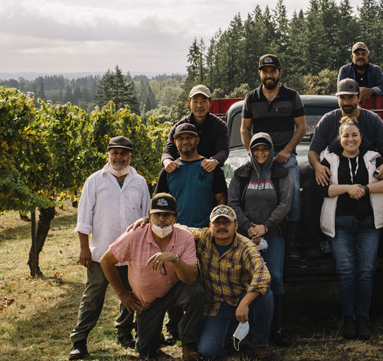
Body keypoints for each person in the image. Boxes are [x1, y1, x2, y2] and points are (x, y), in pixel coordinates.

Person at [69, 136, 151, 360]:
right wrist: (84, 248)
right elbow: (84, 218)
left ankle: (124, 333)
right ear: (108, 155)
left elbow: (146, 217)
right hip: (100, 253)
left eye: (123, 153)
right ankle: (79, 340)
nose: (119, 157)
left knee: (132, 294)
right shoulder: (95, 181)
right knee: (93, 297)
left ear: (130, 156)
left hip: (132, 252)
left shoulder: (140, 182)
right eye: (115, 153)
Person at [315, 116, 383, 340]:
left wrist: (365, 188)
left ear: (361, 137)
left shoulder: (373, 158)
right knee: (346, 272)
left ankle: (363, 319)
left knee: (366, 272)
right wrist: (347, 189)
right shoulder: (329, 159)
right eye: (346, 135)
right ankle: (348, 319)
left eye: (354, 135)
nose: (350, 139)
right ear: (339, 138)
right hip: (339, 223)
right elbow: (322, 190)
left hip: (369, 224)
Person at [101, 193, 205, 361]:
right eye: (157, 214)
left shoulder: (185, 236)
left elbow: (191, 278)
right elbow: (106, 261)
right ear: (149, 216)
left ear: (175, 217)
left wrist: (175, 258)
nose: (161, 219)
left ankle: (189, 344)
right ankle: (154, 335)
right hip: (147, 302)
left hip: (174, 293)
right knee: (147, 352)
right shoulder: (135, 235)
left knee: (196, 292)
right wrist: (123, 295)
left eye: (167, 215)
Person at [307, 78, 383, 260]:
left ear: (358, 98)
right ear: (337, 98)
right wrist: (317, 166)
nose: (347, 102)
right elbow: (313, 151)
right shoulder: (328, 120)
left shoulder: (373, 120)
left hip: (367, 170)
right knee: (310, 189)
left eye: (351, 97)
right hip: (337, 170)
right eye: (343, 98)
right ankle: (315, 242)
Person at [154, 122, 227, 344]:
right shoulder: (169, 170)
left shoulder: (209, 167)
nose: (185, 141)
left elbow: (221, 201)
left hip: (204, 236)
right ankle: (174, 327)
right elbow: (158, 205)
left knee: (203, 284)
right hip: (175, 236)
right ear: (175, 143)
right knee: (173, 281)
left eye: (190, 137)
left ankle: (200, 327)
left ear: (197, 140)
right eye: (180, 138)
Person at [180, 205, 275, 361]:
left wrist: (245, 303)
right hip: (216, 306)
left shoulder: (246, 246)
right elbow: (176, 228)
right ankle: (227, 332)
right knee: (208, 353)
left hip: (241, 299)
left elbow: (263, 275)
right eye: (217, 223)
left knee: (265, 296)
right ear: (210, 226)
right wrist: (146, 221)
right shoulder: (202, 237)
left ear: (235, 225)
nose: (222, 226)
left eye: (227, 222)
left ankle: (260, 343)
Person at [230, 132, 294, 347]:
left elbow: (285, 203)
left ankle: (276, 329)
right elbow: (233, 204)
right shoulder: (241, 174)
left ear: (271, 151)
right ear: (251, 151)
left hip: (274, 234)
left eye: (264, 149)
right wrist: (249, 228)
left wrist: (265, 226)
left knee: (274, 277)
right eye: (256, 149)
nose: (260, 153)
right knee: (244, 279)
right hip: (246, 237)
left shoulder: (281, 173)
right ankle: (242, 326)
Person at [240, 54, 306, 261]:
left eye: (273, 71)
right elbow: (244, 129)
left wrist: (287, 151)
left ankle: (292, 244)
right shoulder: (251, 98)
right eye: (265, 71)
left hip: (286, 156)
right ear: (260, 73)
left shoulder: (292, 96)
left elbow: (302, 127)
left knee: (293, 195)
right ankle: (251, 239)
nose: (269, 75)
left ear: (280, 73)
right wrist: (252, 154)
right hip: (259, 155)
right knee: (250, 195)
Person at [161, 84, 229, 175]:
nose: (199, 105)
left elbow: (223, 149)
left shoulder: (220, 126)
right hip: (183, 173)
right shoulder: (179, 127)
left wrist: (214, 161)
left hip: (210, 173)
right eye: (195, 101)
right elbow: (168, 150)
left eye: (203, 101)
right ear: (189, 103)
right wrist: (167, 161)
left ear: (210, 102)